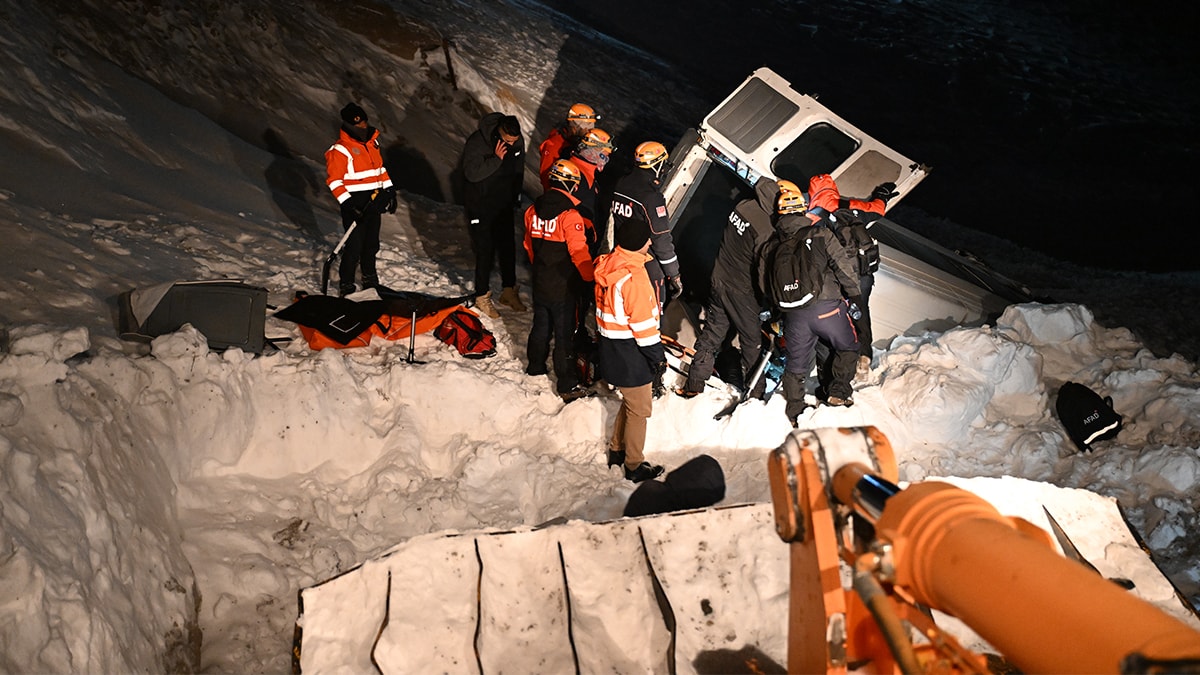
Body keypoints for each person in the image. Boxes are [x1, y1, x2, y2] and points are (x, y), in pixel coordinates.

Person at [765, 189, 863, 426]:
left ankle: (795, 411)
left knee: (796, 365)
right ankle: (837, 393)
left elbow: (767, 283)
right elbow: (842, 267)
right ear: (803, 209)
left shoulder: (772, 246)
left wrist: (778, 313)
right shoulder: (820, 233)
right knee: (848, 346)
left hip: (794, 314)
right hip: (827, 307)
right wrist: (854, 294)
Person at [678, 177, 779, 399]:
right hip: (742, 290)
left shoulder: (743, 206)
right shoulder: (765, 229)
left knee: (712, 333)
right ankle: (756, 394)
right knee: (752, 342)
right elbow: (763, 274)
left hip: (719, 279)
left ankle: (695, 381)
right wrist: (771, 301)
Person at [594, 218, 667, 483]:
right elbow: (645, 329)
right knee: (640, 409)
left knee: (630, 402)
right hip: (630, 351)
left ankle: (617, 450)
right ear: (638, 244)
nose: (650, 242)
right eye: (647, 239)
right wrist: (658, 358)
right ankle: (634, 465)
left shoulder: (609, 264)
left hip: (611, 345)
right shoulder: (635, 277)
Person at [523, 159, 595, 403]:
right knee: (565, 335)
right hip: (564, 286)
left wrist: (541, 269)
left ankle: (535, 366)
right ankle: (566, 383)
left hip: (541, 280)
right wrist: (590, 280)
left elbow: (529, 246)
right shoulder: (569, 215)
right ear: (571, 185)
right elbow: (579, 253)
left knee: (541, 325)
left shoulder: (532, 210)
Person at [324, 102, 397, 297]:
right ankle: (346, 283)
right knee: (354, 245)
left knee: (371, 243)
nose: (363, 126)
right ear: (349, 125)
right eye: (358, 124)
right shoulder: (340, 150)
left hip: (374, 199)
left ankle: (369, 278)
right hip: (355, 202)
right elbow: (334, 181)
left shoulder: (372, 142)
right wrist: (348, 205)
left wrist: (389, 189)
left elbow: (379, 169)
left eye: (364, 122)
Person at [459, 112, 527, 318]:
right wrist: (496, 159)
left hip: (503, 203)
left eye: (515, 142)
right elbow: (472, 173)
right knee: (485, 251)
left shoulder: (516, 141)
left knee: (508, 248)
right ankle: (481, 295)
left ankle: (508, 291)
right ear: (498, 134)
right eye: (508, 141)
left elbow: (518, 169)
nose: (512, 145)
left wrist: (515, 195)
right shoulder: (478, 142)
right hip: (480, 205)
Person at [610, 141, 680, 313]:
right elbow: (661, 238)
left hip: (620, 255)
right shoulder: (651, 198)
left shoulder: (621, 184)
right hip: (646, 264)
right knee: (652, 313)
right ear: (657, 165)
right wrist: (674, 273)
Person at [538, 103, 599, 190]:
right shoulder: (554, 145)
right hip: (561, 196)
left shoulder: (580, 143)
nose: (588, 132)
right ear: (574, 126)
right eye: (586, 127)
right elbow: (546, 177)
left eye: (591, 127)